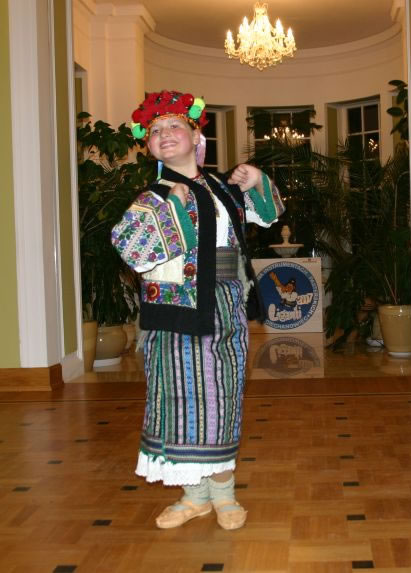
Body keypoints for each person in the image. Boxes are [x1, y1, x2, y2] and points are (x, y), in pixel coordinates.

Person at [111, 90, 285, 529]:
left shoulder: (223, 188)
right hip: (176, 314)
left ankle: (223, 494)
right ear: (148, 146)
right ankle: (195, 496)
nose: (165, 133)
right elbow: (129, 247)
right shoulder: (153, 196)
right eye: (155, 130)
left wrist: (256, 180)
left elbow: (267, 215)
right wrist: (172, 208)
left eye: (175, 126)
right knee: (179, 400)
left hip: (224, 304)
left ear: (195, 136)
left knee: (220, 398)